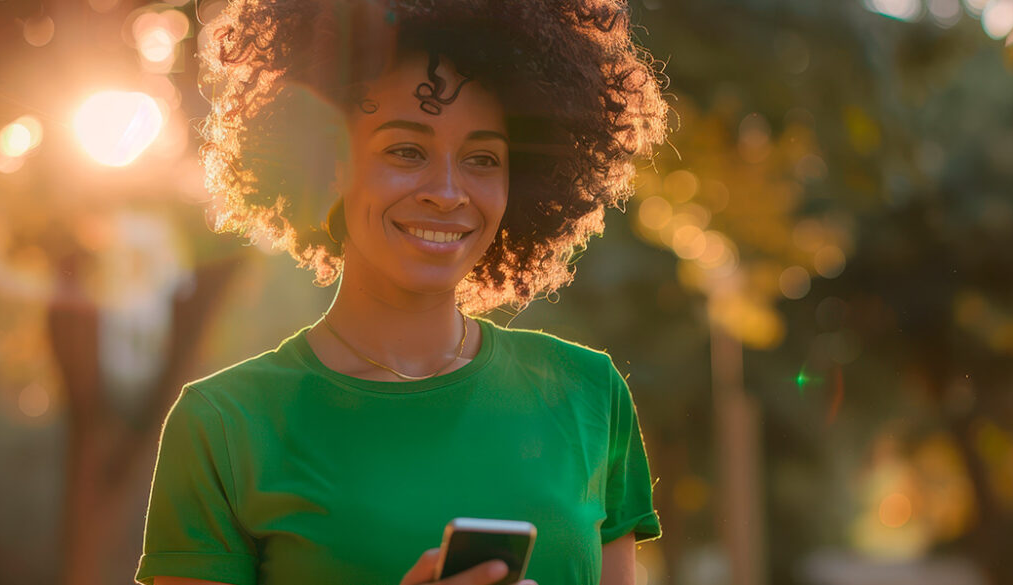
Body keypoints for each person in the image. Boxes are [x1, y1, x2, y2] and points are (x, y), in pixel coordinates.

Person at [134, 0, 671, 584]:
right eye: (406, 151)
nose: (447, 191)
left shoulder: (589, 395)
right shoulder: (223, 425)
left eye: (483, 159)